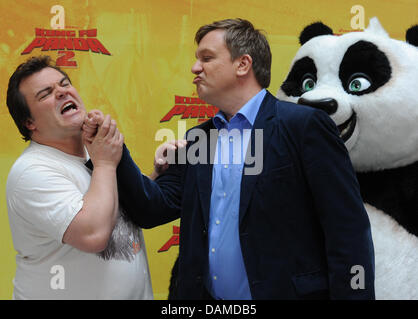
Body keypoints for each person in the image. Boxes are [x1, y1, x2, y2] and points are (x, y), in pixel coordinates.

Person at [93, 18, 376, 299]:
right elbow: (151, 208)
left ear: (243, 65)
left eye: (207, 58)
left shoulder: (304, 126)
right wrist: (114, 151)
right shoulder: (198, 139)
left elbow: (347, 228)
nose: (195, 68)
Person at [5, 56, 153, 299]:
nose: (62, 92)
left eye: (65, 83)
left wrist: (157, 173)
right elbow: (93, 234)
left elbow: (116, 209)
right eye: (46, 94)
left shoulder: (94, 148)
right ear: (29, 122)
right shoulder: (32, 172)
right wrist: (106, 162)